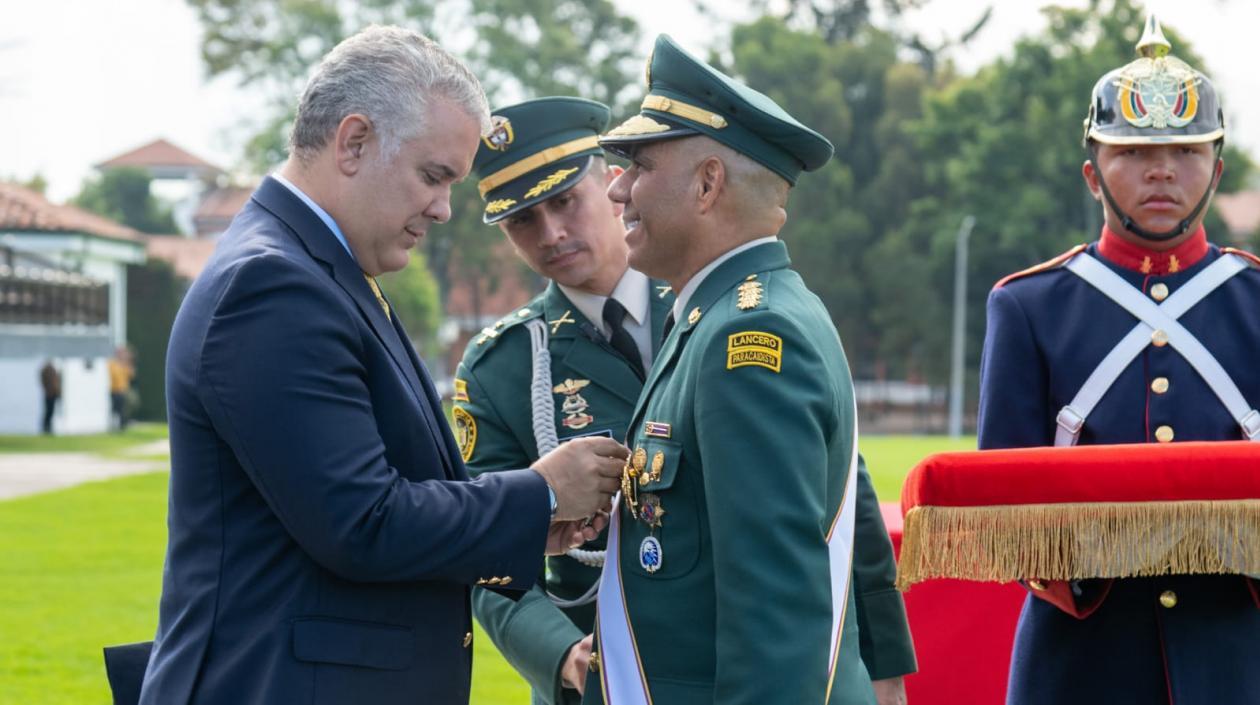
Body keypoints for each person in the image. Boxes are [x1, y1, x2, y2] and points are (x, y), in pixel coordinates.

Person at [136, 26, 627, 705]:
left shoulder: (322, 273)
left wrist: (526, 525)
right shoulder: (273, 286)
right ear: (354, 141)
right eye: (434, 176)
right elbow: (362, 520)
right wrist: (539, 491)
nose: (444, 207)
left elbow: (386, 495)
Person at [581, 34, 911, 705]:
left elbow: (773, 621)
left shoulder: (748, 335)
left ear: (707, 184)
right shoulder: (725, 315)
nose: (616, 188)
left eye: (638, 165)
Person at [978, 16, 1260, 705]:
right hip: (1082, 660)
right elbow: (1006, 509)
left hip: (1235, 654)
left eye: (1187, 150)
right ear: (1092, 172)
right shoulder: (1027, 305)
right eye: (1133, 152)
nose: (1162, 169)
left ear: (1217, 170)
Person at [455, 96, 673, 705]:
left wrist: (882, 656)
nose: (550, 232)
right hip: (596, 667)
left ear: (609, 184)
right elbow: (485, 546)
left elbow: (835, 475)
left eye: (563, 200)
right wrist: (560, 653)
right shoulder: (503, 366)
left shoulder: (705, 303)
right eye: (523, 219)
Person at [107, 346, 133, 431]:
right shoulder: (112, 363)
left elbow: (131, 374)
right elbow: (112, 375)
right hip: (114, 390)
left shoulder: (123, 364)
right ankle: (113, 426)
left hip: (123, 391)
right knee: (114, 409)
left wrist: (127, 362)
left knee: (122, 409)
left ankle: (122, 426)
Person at [39, 359, 60, 434]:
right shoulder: (46, 370)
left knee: (50, 411)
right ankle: (46, 427)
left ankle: (48, 427)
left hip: (52, 393)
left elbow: (56, 382)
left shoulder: (52, 369)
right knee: (48, 411)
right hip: (49, 394)